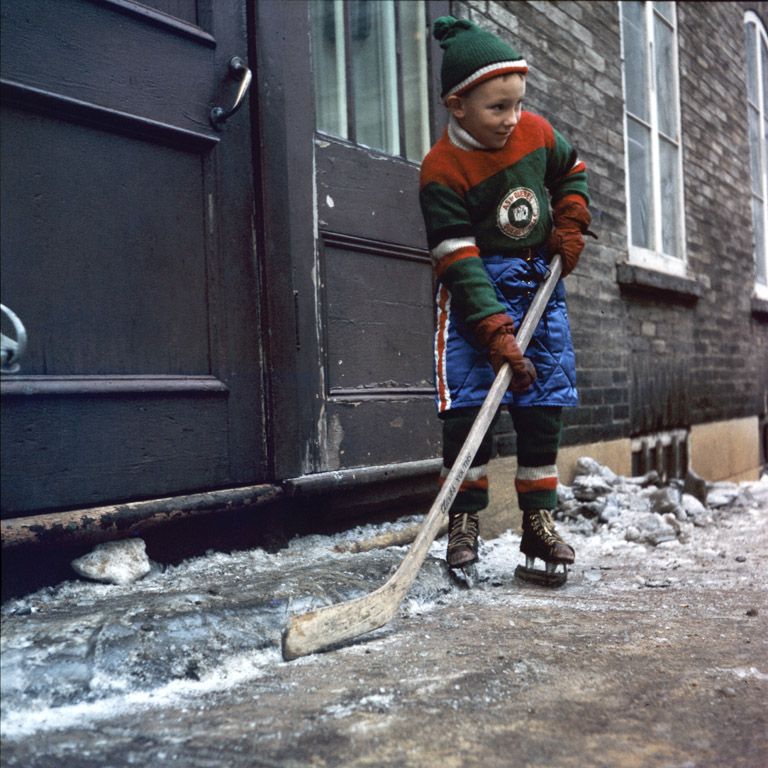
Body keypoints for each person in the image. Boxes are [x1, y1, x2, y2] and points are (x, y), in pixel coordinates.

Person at [419, 16, 595, 587]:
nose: (512, 119)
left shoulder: (536, 133)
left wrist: (570, 219)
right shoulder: (441, 170)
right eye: (498, 108)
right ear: (457, 105)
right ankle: (464, 519)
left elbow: (572, 171)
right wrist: (493, 331)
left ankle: (537, 521)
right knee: (469, 403)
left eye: (518, 104)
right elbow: (458, 261)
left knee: (542, 400)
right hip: (476, 294)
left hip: (538, 287)